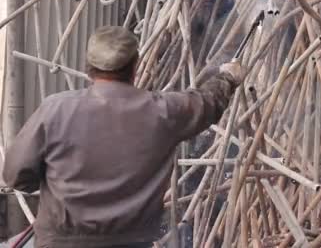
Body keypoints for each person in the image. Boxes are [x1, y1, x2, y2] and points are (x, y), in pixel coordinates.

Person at [2, 26, 244, 248]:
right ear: (134, 66)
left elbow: (15, 175)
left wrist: (47, 185)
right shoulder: (164, 111)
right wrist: (228, 78)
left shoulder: (56, 109)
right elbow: (207, 103)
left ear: (89, 67)